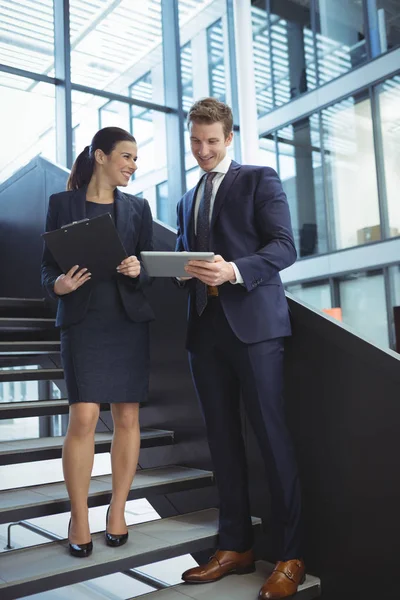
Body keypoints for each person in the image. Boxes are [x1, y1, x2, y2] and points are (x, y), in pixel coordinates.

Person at [176, 98, 304, 600]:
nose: (203, 150)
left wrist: (234, 269)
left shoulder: (259, 178)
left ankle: (291, 555)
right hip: (204, 331)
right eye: (196, 141)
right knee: (223, 444)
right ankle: (236, 546)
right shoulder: (187, 199)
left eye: (212, 141)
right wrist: (169, 271)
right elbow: (189, 258)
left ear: (229, 138)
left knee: (273, 441)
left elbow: (284, 247)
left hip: (254, 328)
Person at [41, 127, 154, 558]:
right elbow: (45, 269)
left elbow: (148, 265)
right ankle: (80, 515)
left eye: (136, 159)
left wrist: (135, 269)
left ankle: (117, 510)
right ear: (101, 156)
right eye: (126, 156)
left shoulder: (138, 208)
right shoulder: (61, 205)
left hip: (126, 321)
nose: (133, 165)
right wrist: (59, 285)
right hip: (83, 321)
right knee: (84, 418)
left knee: (127, 418)